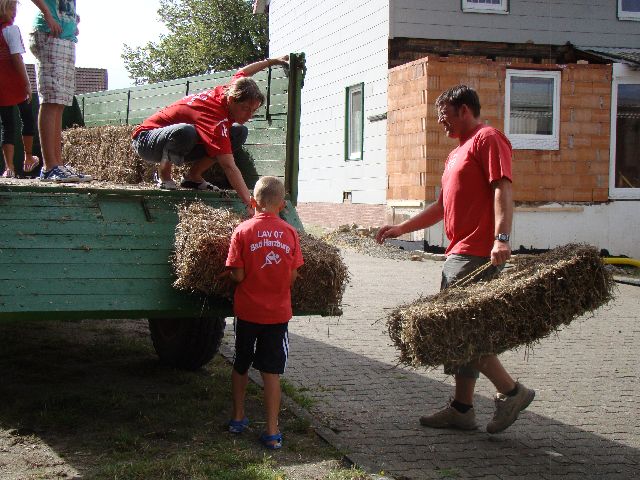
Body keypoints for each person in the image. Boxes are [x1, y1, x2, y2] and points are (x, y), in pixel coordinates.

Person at [376, 85, 535, 434]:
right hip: (458, 251)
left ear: (464, 110)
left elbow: (502, 188)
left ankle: (512, 392)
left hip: (477, 252)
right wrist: (402, 228)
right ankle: (462, 409)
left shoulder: (487, 139)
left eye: (444, 114)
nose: (440, 122)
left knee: (461, 328)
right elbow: (441, 206)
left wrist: (501, 238)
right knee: (463, 328)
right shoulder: (455, 154)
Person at [131, 56, 289, 204]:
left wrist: (274, 61)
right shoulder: (214, 116)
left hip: (177, 144)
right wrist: (250, 203)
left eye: (253, 110)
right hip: (146, 141)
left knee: (239, 132)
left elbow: (244, 72)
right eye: (245, 109)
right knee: (186, 131)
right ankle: (163, 175)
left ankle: (193, 177)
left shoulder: (232, 89)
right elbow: (229, 166)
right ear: (232, 100)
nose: (249, 115)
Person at [225, 176, 304, 449]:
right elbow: (292, 276)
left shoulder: (242, 231)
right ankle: (272, 432)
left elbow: (237, 275)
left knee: (241, 363)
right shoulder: (290, 233)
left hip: (247, 312)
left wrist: (236, 277)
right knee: (271, 372)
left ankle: (237, 418)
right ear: (282, 205)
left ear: (252, 202)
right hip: (277, 315)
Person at [30, 0, 91, 182]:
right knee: (51, 99)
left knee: (60, 102)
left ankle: (58, 165)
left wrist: (73, 21)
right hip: (50, 33)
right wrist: (47, 14)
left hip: (66, 37)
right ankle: (49, 167)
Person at [0, 0, 40, 178]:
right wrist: (27, 83)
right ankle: (28, 157)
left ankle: (9, 167)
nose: (14, 12)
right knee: (27, 118)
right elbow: (17, 58)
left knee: (7, 125)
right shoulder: (11, 30)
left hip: (1, 85)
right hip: (15, 82)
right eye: (11, 8)